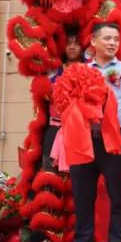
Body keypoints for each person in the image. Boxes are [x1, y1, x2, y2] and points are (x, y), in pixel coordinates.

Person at [61, 22, 121, 242]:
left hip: (116, 140)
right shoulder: (79, 71)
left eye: (116, 39)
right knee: (83, 197)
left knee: (118, 198)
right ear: (93, 41)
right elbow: (66, 103)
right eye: (107, 38)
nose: (112, 43)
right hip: (84, 140)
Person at [42, 29, 84, 171]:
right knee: (50, 172)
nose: (72, 47)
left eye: (76, 44)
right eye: (68, 43)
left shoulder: (89, 69)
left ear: (82, 47)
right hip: (55, 127)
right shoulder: (53, 69)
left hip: (80, 129)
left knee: (79, 174)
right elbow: (45, 95)